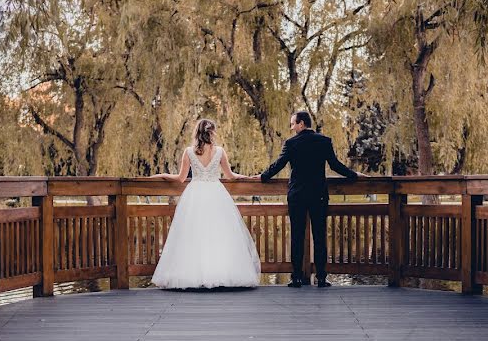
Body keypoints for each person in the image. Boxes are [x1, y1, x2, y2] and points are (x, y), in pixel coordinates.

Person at [256, 111, 365, 288]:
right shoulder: (324, 141)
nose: (291, 128)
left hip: (297, 195)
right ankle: (321, 278)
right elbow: (335, 165)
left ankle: (297, 277)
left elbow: (279, 164)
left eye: (293, 124)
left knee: (297, 236)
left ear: (301, 123)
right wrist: (353, 175)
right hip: (318, 195)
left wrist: (262, 177)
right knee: (320, 236)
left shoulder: (291, 144)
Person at [150, 119, 261, 289]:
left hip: (195, 194)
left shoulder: (188, 152)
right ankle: (221, 273)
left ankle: (194, 275)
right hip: (216, 193)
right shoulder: (220, 151)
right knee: (219, 233)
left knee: (193, 234)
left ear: (197, 132)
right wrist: (247, 177)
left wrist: (162, 174)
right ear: (212, 132)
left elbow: (180, 178)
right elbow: (230, 176)